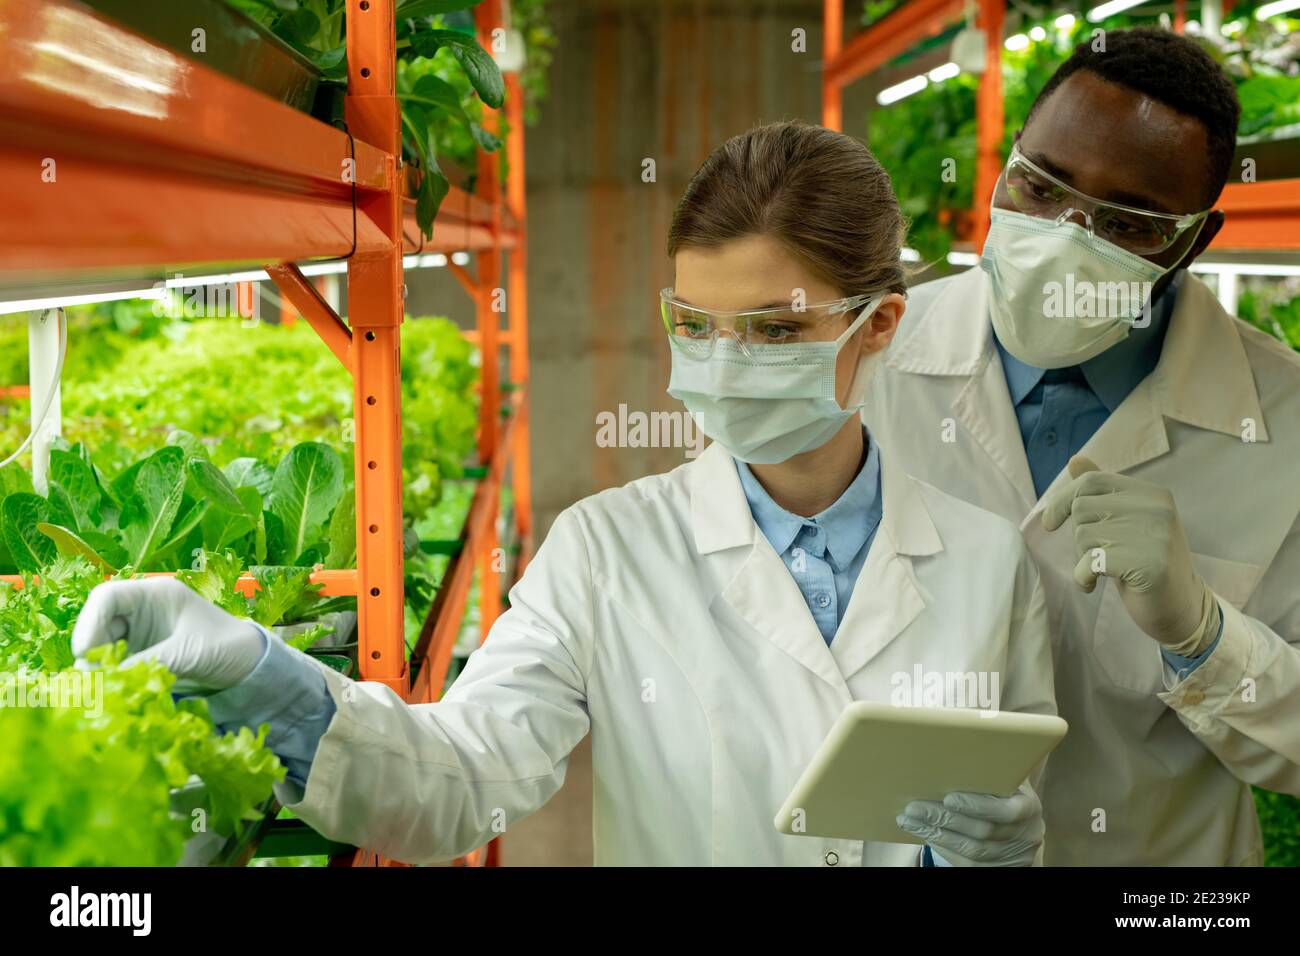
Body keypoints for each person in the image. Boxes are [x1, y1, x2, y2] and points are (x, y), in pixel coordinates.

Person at [73, 122, 1055, 867]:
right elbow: (459, 774)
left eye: (771, 332)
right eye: (697, 325)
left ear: (879, 324)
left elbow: (1016, 802)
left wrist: (1014, 848)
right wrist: (257, 668)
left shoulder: (986, 558)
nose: (724, 364)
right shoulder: (605, 548)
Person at [865, 28, 1300, 866]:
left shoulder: (1281, 425)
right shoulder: (874, 359)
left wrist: (1204, 637)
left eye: (1125, 224)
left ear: (1192, 242)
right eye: (1039, 187)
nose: (1065, 236)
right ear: (1005, 167)